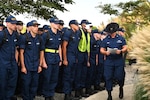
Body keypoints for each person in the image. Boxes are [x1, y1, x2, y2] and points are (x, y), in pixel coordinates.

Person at [100, 22, 127, 100]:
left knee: (119, 76)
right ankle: (109, 94)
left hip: (118, 60)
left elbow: (125, 47)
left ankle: (121, 87)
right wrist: (105, 52)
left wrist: (121, 51)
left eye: (113, 32)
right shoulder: (105, 40)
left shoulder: (121, 38)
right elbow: (101, 49)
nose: (111, 34)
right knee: (108, 77)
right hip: (109, 61)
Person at [19, 20, 44, 100]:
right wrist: (23, 66)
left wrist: (40, 65)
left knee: (34, 85)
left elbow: (41, 52)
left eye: (37, 26)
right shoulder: (24, 37)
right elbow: (21, 52)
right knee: (26, 84)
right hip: (27, 65)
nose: (36, 28)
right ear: (29, 27)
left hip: (36, 65)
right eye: (34, 26)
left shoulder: (39, 38)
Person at [42, 17, 62, 100]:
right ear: (51, 24)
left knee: (54, 77)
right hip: (48, 57)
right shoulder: (46, 34)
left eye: (58, 23)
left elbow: (59, 47)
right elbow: (42, 49)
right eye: (55, 23)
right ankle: (46, 95)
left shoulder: (59, 34)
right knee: (47, 77)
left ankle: (51, 94)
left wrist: (60, 58)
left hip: (56, 57)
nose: (57, 25)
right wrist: (43, 61)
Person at [0, 15, 18, 100]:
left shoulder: (15, 35)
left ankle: (9, 97)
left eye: (15, 23)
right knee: (3, 83)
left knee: (12, 82)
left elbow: (16, 49)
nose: (14, 25)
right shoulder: (2, 34)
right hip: (3, 63)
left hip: (12, 62)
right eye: (12, 23)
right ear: (7, 24)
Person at [62, 20, 80, 100]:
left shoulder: (77, 34)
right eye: (76, 25)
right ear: (72, 25)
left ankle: (69, 93)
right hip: (68, 56)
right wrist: (65, 59)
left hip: (74, 56)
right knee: (67, 76)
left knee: (72, 76)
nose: (78, 26)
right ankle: (66, 94)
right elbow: (64, 46)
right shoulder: (68, 33)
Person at [74, 19, 91, 99]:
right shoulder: (79, 32)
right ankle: (77, 91)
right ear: (83, 25)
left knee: (84, 74)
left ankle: (81, 90)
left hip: (85, 54)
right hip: (79, 54)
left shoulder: (87, 34)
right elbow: (76, 45)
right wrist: (76, 56)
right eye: (86, 24)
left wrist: (87, 60)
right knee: (78, 73)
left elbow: (88, 47)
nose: (88, 26)